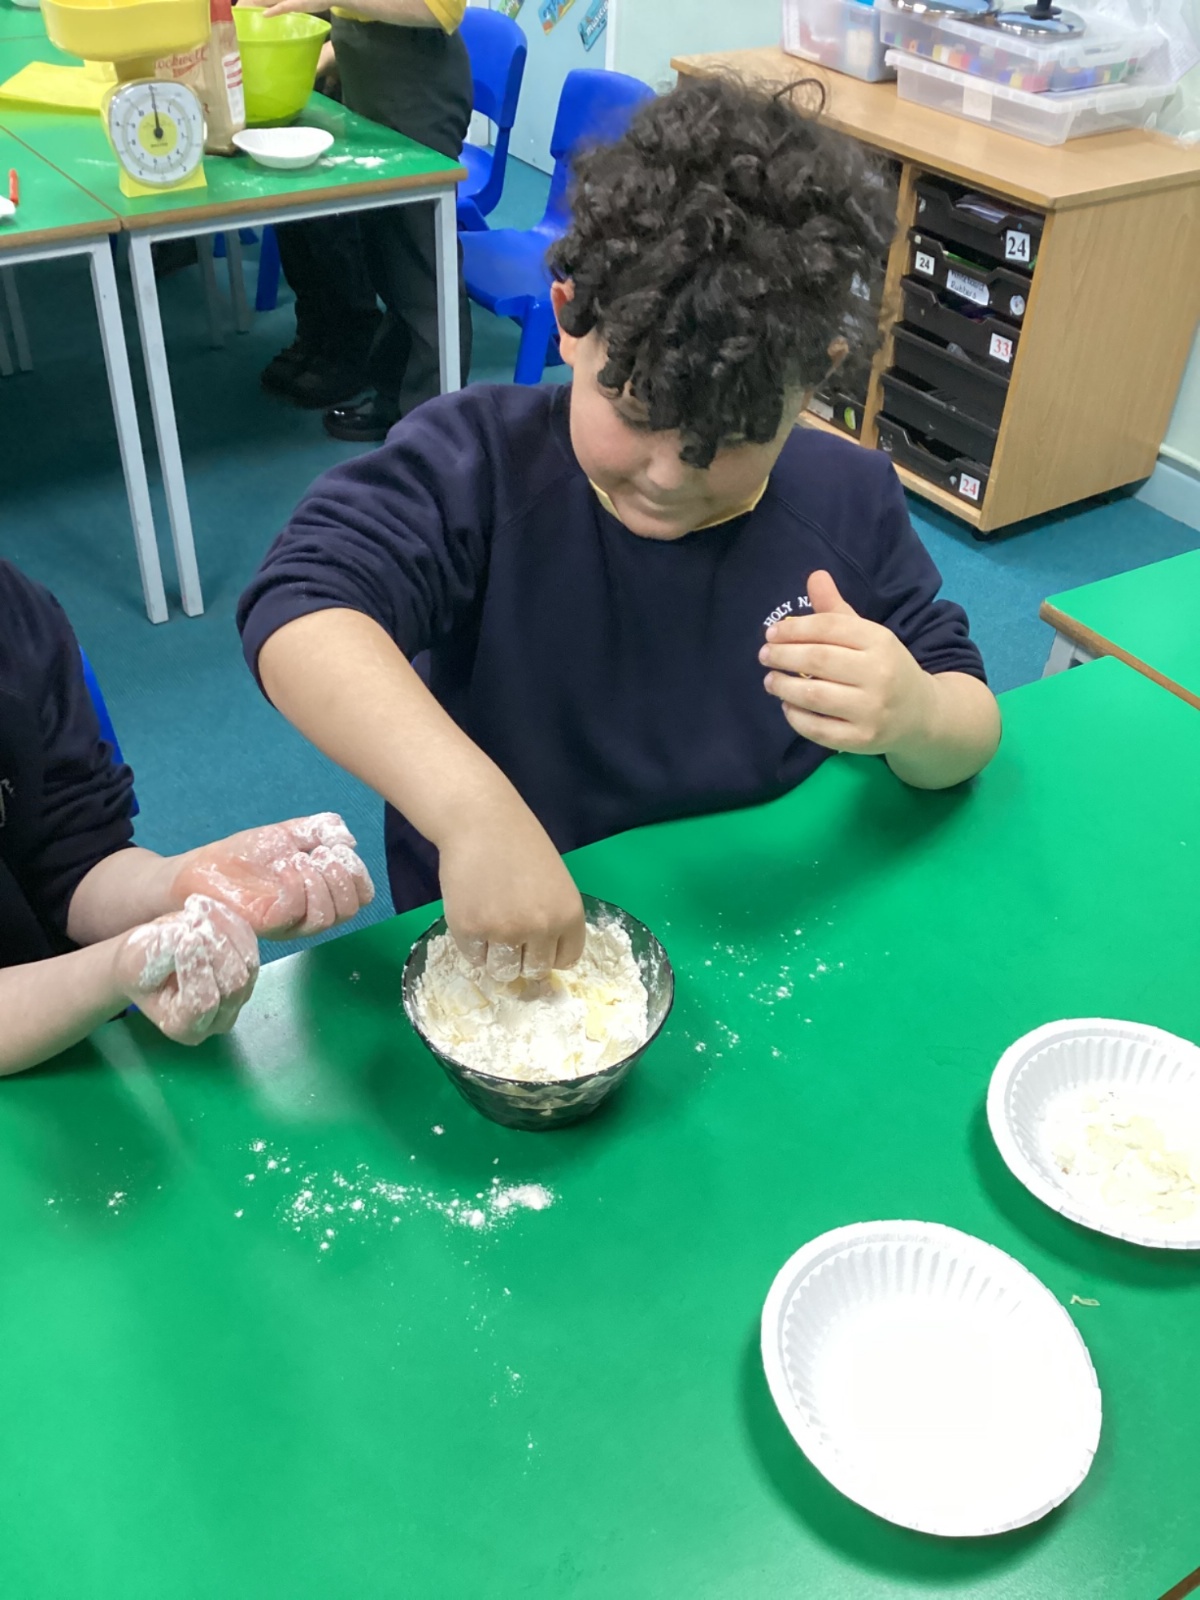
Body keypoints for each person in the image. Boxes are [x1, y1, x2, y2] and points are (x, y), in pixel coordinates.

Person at [237, 75, 1002, 985]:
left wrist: (915, 715)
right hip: (518, 939)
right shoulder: (478, 465)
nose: (670, 474)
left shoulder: (849, 498)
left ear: (815, 379)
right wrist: (472, 809)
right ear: (570, 318)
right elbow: (300, 606)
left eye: (729, 436)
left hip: (765, 937)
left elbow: (968, 717)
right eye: (637, 414)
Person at [0, 559, 375, 1076]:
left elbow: (71, 861)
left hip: (67, 1025)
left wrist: (183, 879)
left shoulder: (16, 617)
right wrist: (112, 971)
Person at [252, 0, 473, 441]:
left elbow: (441, 9)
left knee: (422, 272)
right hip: (372, 82)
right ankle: (397, 398)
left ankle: (433, 433)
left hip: (416, 88)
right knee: (389, 260)